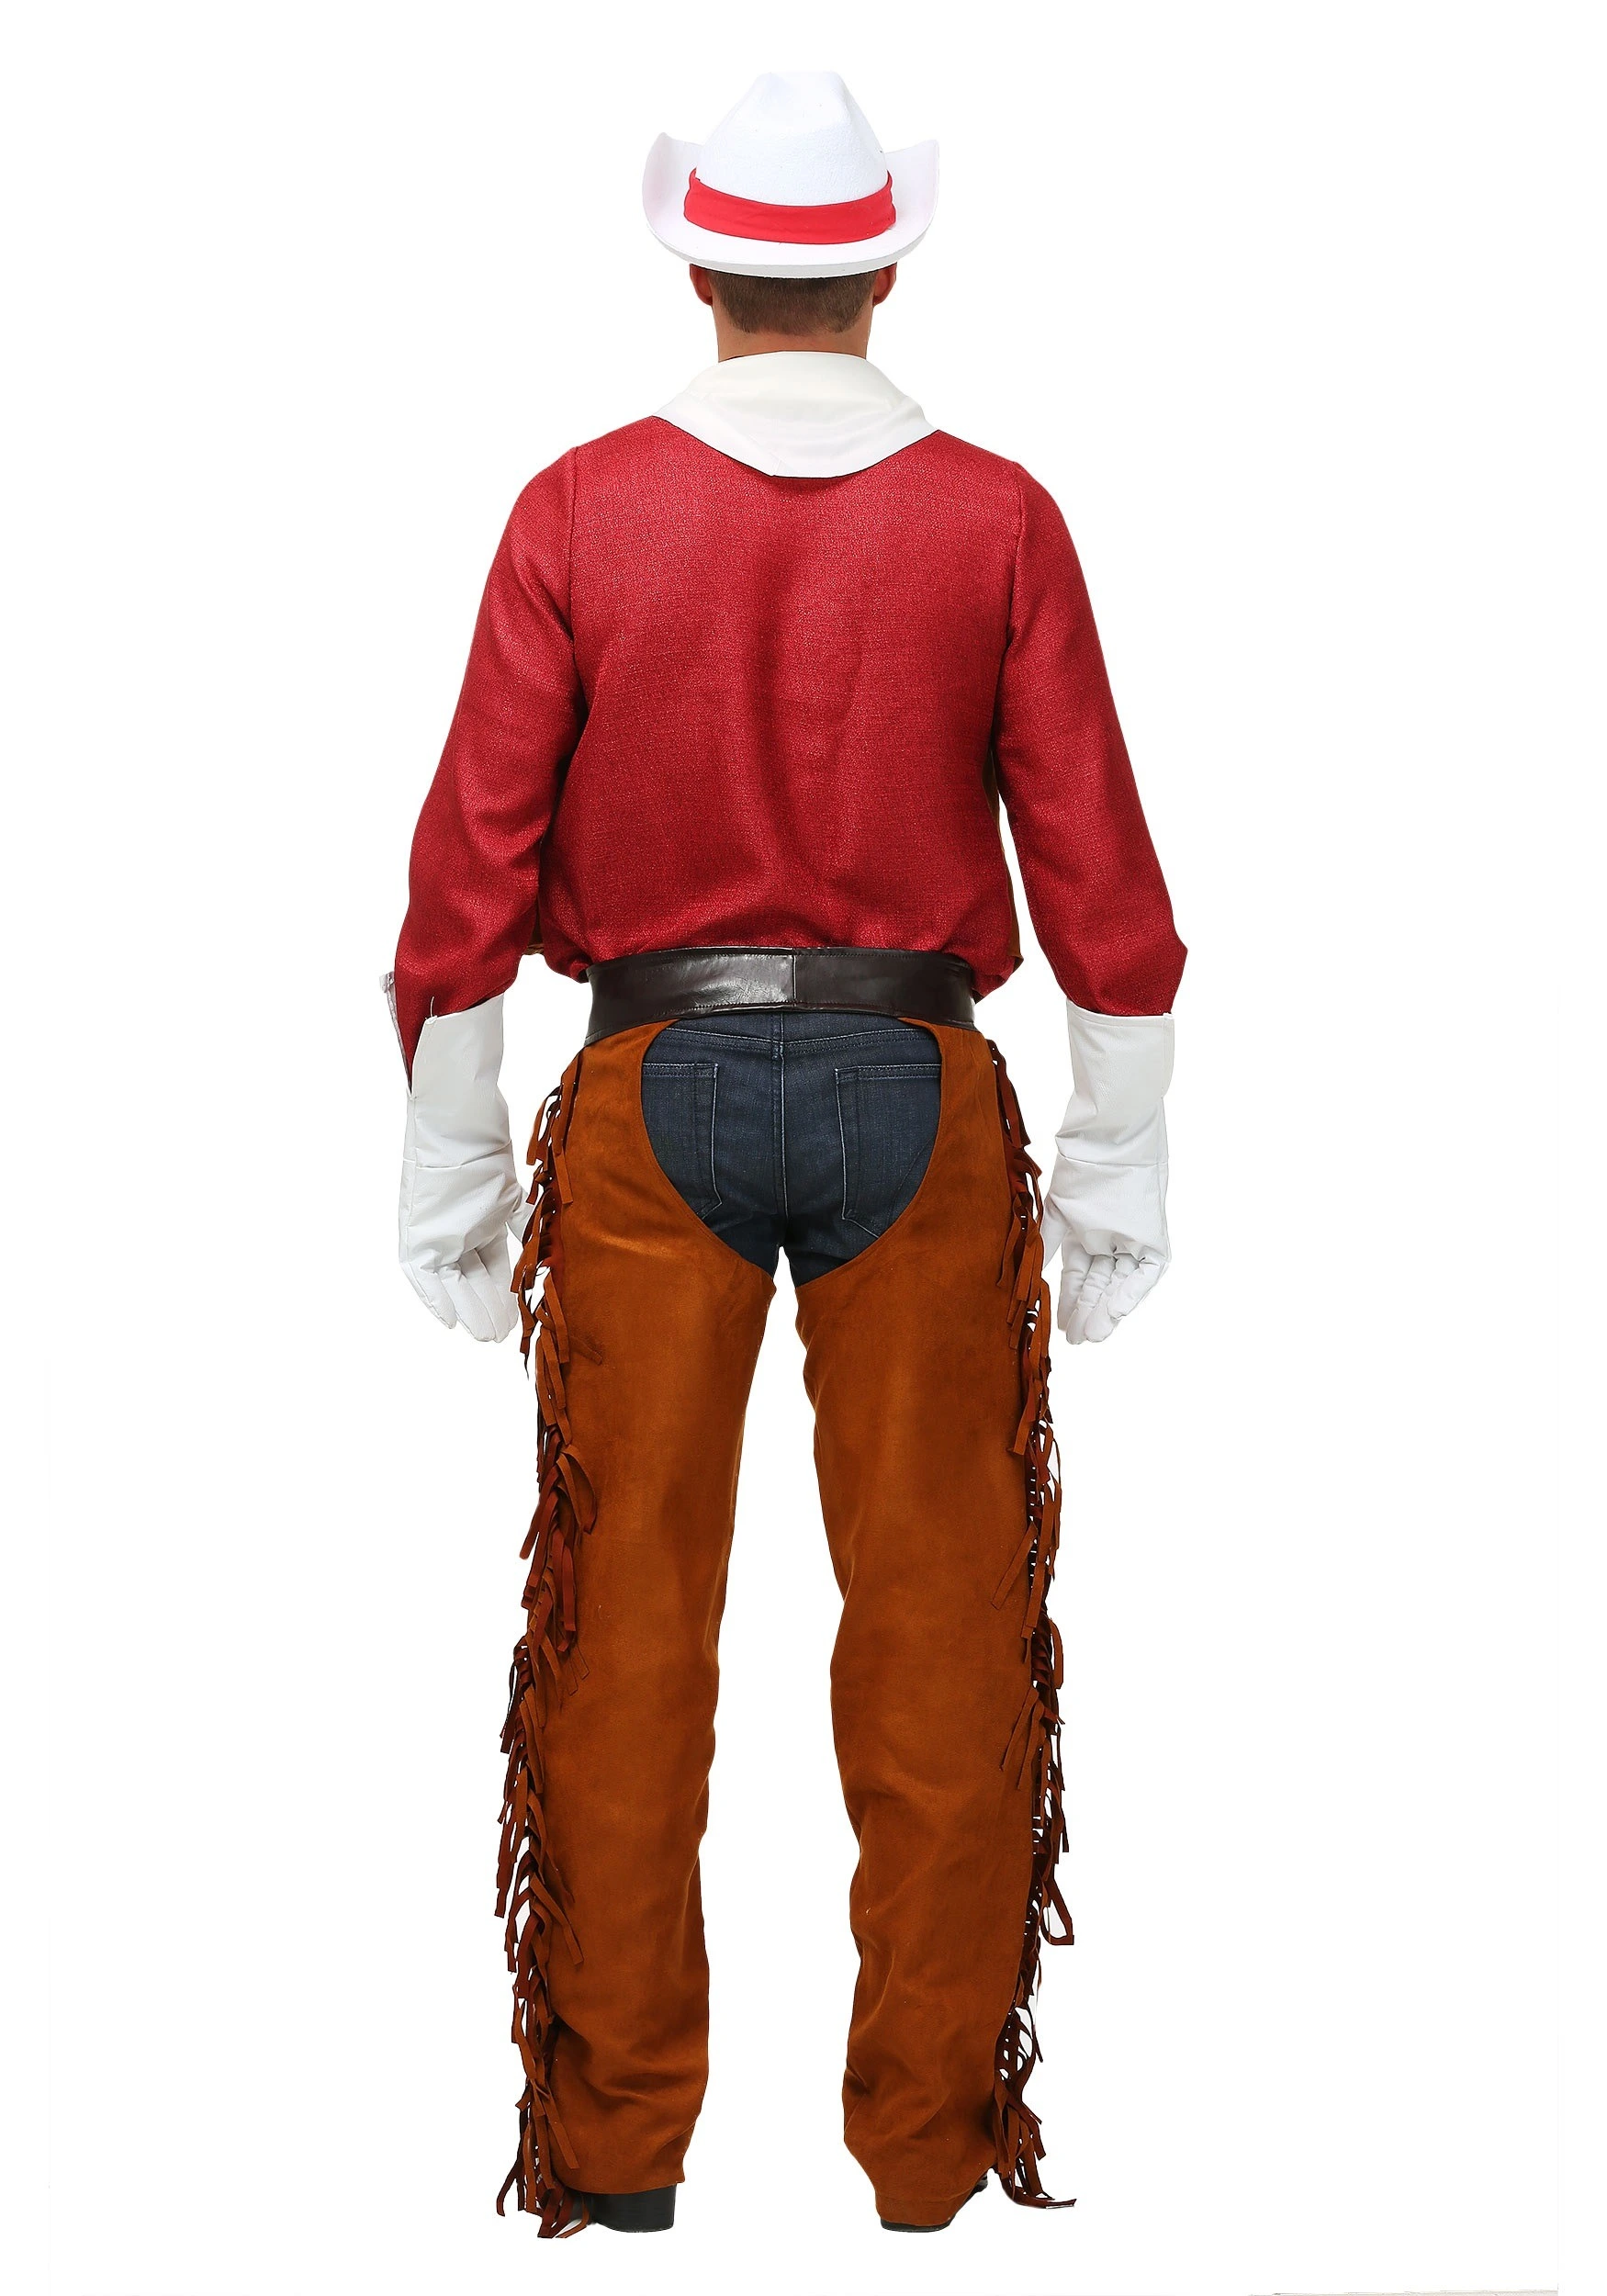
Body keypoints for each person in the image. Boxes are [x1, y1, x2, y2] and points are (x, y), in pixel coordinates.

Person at [388, 69, 1186, 2239]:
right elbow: (1097, 866)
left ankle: (614, 2140)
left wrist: (448, 1166)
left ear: (697, 272)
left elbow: (473, 863)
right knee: (942, 1627)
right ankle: (927, 2148)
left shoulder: (576, 509)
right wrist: (1116, 1167)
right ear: (883, 271)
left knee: (623, 1621)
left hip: (649, 1079)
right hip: (917, 1080)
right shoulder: (995, 518)